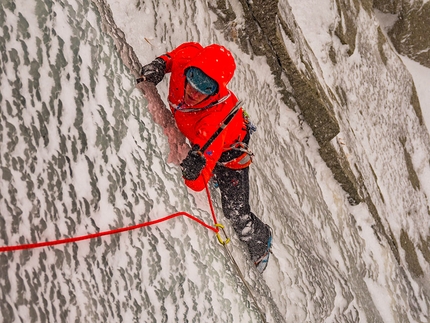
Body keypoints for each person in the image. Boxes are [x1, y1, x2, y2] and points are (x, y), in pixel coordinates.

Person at [139, 42, 272, 273]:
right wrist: (161, 64)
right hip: (202, 134)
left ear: (217, 90)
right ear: (189, 68)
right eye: (193, 77)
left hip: (230, 149)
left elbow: (198, 183)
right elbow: (176, 56)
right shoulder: (186, 60)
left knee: (235, 212)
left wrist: (194, 169)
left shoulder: (213, 123)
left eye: (206, 87)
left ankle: (260, 241)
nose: (193, 90)